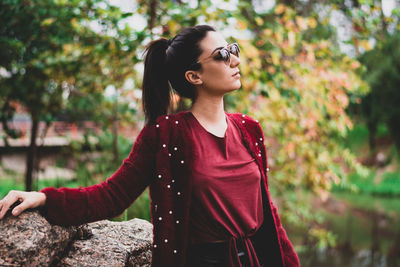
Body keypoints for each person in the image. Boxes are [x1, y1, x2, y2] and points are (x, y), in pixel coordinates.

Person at [0, 25, 300, 267]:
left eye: (233, 49)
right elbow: (113, 196)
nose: (235, 60)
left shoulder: (249, 129)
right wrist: (45, 198)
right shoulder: (166, 135)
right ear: (194, 76)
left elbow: (267, 212)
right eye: (222, 54)